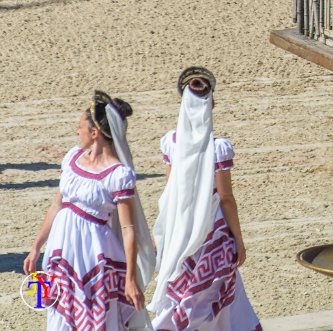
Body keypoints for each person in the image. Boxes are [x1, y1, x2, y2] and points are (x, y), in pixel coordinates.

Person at [24, 91, 156, 330]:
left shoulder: (118, 175)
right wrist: (36, 247)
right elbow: (57, 205)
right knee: (60, 311)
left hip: (94, 254)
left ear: (94, 134)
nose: (77, 132)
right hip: (62, 248)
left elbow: (128, 229)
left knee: (94, 314)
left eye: (80, 127)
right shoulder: (72, 158)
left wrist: (130, 279)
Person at [149, 66, 261, 331]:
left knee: (181, 288)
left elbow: (171, 188)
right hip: (213, 231)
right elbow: (226, 198)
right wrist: (239, 239)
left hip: (179, 225)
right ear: (212, 103)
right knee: (219, 296)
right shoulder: (218, 148)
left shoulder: (170, 143)